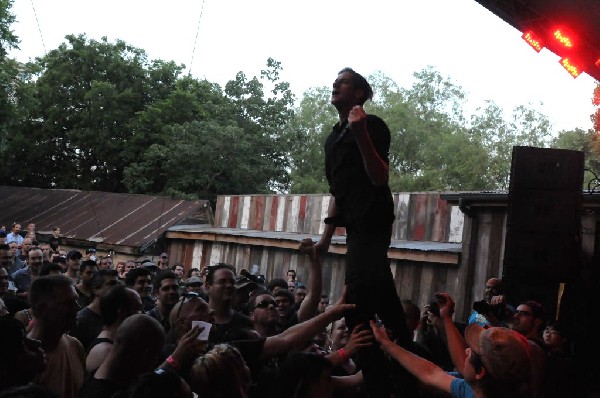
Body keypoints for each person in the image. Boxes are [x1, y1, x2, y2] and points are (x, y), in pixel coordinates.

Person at [315, 67, 412, 397]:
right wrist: (326, 239)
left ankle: (384, 383)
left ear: (359, 93)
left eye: (341, 82)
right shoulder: (332, 139)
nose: (334, 85)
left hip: (373, 221)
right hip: (354, 226)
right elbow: (338, 192)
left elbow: (379, 177)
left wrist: (361, 135)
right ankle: (406, 365)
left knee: (356, 303)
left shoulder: (373, 126)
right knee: (379, 295)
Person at [371, 292, 533, 398]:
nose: (467, 350)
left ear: (480, 373)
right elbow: (431, 372)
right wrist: (387, 344)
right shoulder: (473, 389)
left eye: (472, 352)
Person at [28, 275, 85, 398]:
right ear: (41, 309)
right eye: (68, 303)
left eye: (76, 301)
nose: (77, 307)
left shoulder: (75, 346)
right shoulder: (26, 358)